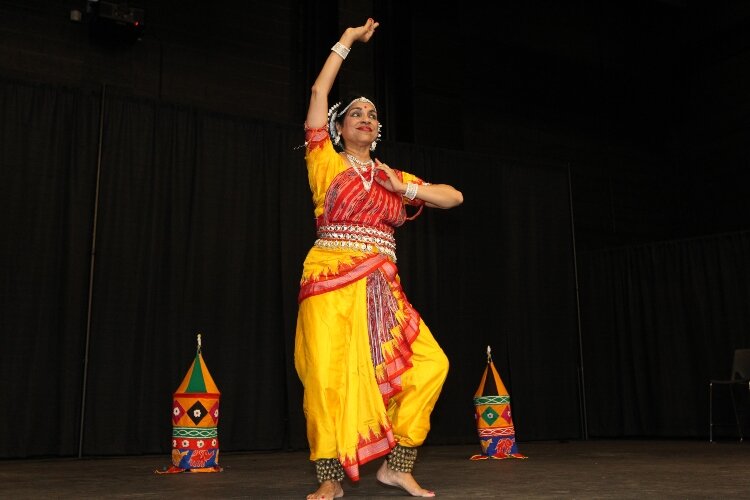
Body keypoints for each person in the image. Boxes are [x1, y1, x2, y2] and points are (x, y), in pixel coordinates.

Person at [294, 17, 464, 500]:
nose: (366, 118)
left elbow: (453, 197)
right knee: (326, 377)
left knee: (430, 365)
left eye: (372, 114)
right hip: (329, 280)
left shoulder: (393, 175)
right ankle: (329, 478)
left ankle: (398, 465)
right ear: (339, 127)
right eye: (356, 114)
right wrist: (346, 42)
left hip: (381, 289)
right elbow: (318, 91)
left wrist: (405, 187)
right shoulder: (323, 161)